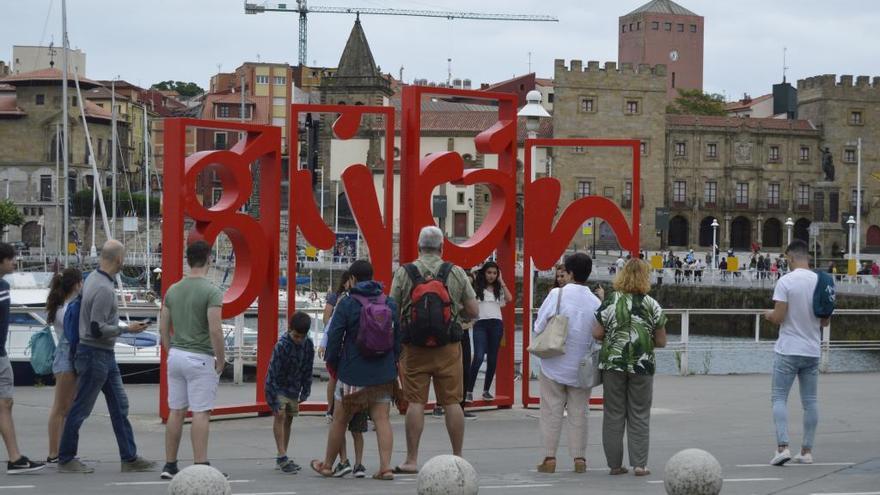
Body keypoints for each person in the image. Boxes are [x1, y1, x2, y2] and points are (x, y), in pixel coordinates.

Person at [58, 240, 155, 473]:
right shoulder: (103, 288)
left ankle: (129, 458)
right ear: (119, 259)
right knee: (81, 407)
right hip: (95, 353)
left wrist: (119, 326)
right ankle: (66, 457)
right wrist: (127, 329)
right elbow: (96, 329)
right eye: (125, 256)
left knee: (119, 405)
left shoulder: (92, 278)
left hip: (102, 354)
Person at [390, 226, 478, 474]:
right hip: (448, 348)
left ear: (419, 247)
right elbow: (473, 311)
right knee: (452, 403)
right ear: (442, 247)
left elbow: (392, 311)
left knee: (416, 402)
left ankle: (411, 459)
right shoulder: (456, 272)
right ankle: (458, 456)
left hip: (415, 348)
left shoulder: (404, 273)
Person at [311, 260, 400, 481]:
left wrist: (333, 364)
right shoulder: (389, 303)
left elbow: (334, 338)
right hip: (382, 372)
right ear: (372, 276)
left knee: (340, 419)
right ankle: (386, 467)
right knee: (382, 419)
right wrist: (392, 362)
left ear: (352, 279)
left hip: (352, 372)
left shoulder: (348, 304)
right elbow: (398, 339)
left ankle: (328, 465)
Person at [594, 258, 667, 476]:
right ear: (645, 277)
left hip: (613, 365)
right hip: (642, 365)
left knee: (613, 413)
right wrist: (641, 340)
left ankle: (615, 466)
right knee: (639, 413)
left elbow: (597, 333)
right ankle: (640, 465)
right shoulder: (651, 304)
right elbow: (662, 341)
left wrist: (615, 339)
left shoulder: (609, 302)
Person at [159, 240, 225, 479]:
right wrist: (221, 359)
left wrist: (171, 351)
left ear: (188, 260)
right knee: (200, 412)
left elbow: (163, 327)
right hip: (200, 356)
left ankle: (169, 464)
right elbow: (215, 330)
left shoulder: (173, 290)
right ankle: (200, 465)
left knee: (176, 411)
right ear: (209, 258)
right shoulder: (212, 291)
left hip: (176, 355)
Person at [533, 253, 601, 475]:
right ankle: (579, 458)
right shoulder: (595, 301)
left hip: (554, 363)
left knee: (551, 410)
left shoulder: (557, 294)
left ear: (570, 272)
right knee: (579, 412)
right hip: (581, 368)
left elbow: (539, 325)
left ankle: (549, 457)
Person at [762, 240, 824, 466]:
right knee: (810, 401)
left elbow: (778, 317)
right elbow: (825, 321)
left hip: (788, 349)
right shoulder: (821, 281)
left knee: (779, 398)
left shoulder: (785, 281)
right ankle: (806, 451)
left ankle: (783, 447)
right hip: (812, 349)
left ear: (790, 258)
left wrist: (768, 314)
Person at [0, 243, 46, 474]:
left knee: (5, 404)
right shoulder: (2, 287)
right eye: (10, 259)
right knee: (5, 404)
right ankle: (15, 458)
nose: (14, 263)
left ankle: (15, 457)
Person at [265, 312, 314, 474]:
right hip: (279, 386)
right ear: (290, 330)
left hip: (295, 388)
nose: (298, 339)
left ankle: (283, 456)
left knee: (289, 420)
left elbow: (308, 369)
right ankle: (282, 455)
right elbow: (272, 372)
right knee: (280, 414)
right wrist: (272, 397)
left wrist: (306, 390)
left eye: (302, 336)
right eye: (296, 336)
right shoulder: (282, 345)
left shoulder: (308, 345)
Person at [45, 268, 83, 464]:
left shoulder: (62, 306)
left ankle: (62, 449)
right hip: (66, 358)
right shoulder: (66, 309)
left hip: (67, 358)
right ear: (76, 284)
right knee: (61, 407)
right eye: (81, 281)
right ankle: (54, 452)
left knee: (66, 407)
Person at [466, 261, 512, 403]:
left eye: (494, 273)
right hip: (480, 324)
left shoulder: (498, 289)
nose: (491, 276)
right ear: (484, 273)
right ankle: (469, 391)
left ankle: (486, 391)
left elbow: (509, 299)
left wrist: (502, 281)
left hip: (496, 324)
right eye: (489, 272)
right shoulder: (476, 287)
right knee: (478, 357)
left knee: (492, 359)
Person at [320, 271, 352, 423]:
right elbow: (327, 320)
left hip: (338, 343)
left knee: (335, 378)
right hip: (340, 343)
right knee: (334, 378)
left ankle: (333, 410)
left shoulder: (341, 298)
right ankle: (331, 409)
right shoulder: (338, 298)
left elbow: (328, 320)